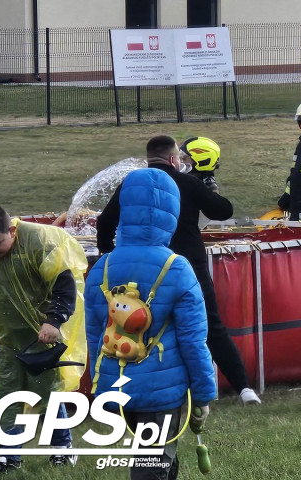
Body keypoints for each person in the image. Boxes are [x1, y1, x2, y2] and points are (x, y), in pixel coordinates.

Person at [96, 135, 261, 405]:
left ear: (148, 158)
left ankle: (126, 392)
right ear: (173, 159)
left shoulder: (131, 184)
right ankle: (243, 388)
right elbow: (223, 210)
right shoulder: (186, 182)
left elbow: (104, 222)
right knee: (208, 327)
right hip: (187, 266)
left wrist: (108, 255)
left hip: (142, 271)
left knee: (135, 330)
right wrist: (205, 186)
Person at [86, 168, 217, 479]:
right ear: (172, 212)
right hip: (164, 392)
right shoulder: (177, 268)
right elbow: (193, 339)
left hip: (118, 386)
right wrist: (203, 393)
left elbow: (93, 333)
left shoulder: (102, 267)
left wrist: (98, 385)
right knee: (152, 462)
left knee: (157, 457)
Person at [0, 205, 88, 475]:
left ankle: (62, 449)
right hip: (2, 339)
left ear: (11, 231)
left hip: (40, 337)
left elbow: (63, 283)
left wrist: (54, 320)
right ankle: (8, 455)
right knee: (6, 395)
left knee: (49, 395)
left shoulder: (38, 243)